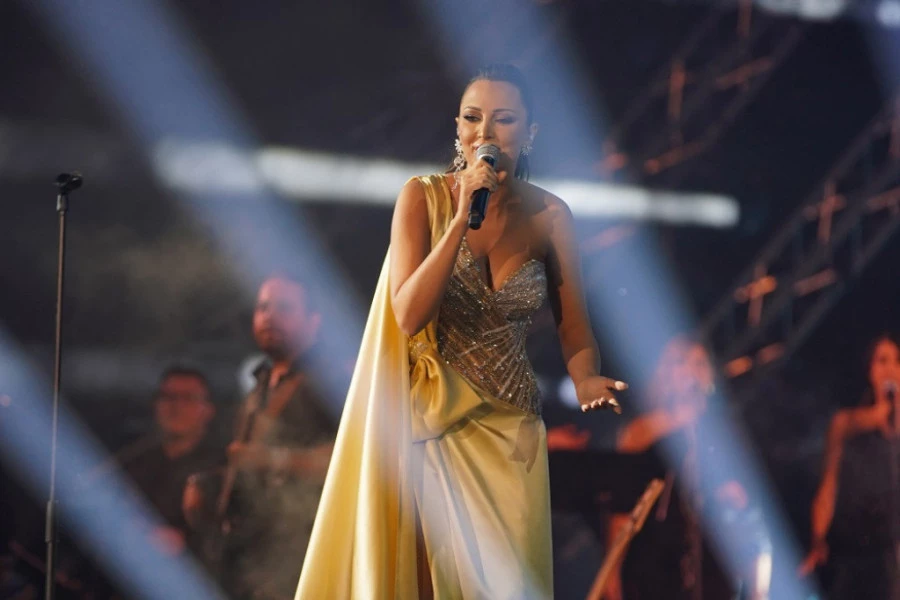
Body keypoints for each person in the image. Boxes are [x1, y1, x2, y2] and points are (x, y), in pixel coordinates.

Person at [296, 63, 627, 599]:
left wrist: (586, 377)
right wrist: (458, 221)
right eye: (472, 118)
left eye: (504, 119)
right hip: (429, 427)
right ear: (457, 127)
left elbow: (574, 326)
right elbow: (408, 315)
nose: (484, 133)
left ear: (530, 131)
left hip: (512, 434)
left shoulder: (552, 216)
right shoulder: (420, 198)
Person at [186, 274, 336, 600]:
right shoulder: (260, 384)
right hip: (253, 557)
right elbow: (249, 468)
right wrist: (211, 488)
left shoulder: (330, 382)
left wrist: (271, 459)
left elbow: (352, 459)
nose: (269, 316)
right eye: (263, 307)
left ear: (313, 322)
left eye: (284, 308)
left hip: (302, 554)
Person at [605, 336, 771, 600]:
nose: (690, 371)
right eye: (681, 362)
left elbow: (747, 511)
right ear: (665, 372)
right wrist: (612, 570)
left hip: (710, 554)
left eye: (699, 363)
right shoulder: (641, 431)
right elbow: (621, 507)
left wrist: (756, 584)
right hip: (655, 557)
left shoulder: (723, 433)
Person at [799, 333, 900, 599]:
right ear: (869, 370)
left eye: (897, 361)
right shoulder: (845, 424)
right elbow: (827, 489)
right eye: (882, 361)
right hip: (856, 554)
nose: (891, 368)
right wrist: (818, 539)